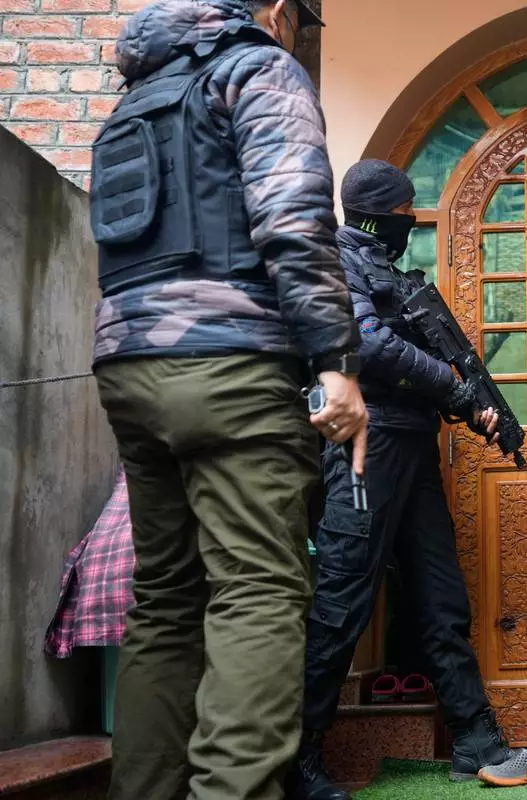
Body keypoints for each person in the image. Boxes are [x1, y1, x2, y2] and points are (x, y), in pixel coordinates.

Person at [88, 2, 368, 799]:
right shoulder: (258, 67)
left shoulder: (135, 96)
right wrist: (337, 363)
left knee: (167, 602)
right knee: (259, 589)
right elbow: (294, 222)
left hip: (127, 367)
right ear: (278, 13)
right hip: (232, 367)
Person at [291, 160, 514, 800]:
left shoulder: (380, 265)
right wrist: (453, 385)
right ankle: (299, 756)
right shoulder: (338, 256)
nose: (409, 220)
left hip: (409, 443)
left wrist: (467, 401)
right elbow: (368, 344)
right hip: (365, 443)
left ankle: (476, 739)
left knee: (442, 596)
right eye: (404, 210)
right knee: (341, 598)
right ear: (379, 212)